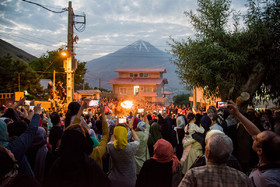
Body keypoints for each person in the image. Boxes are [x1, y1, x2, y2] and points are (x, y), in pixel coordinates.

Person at [45, 100, 110, 187]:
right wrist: (103, 114)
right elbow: (105, 135)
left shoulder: (58, 163)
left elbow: (72, 131)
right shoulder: (94, 156)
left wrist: (81, 110)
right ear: (84, 141)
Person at [228, 100, 280, 187]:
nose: (254, 137)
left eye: (256, 139)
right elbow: (256, 133)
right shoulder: (269, 159)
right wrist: (238, 114)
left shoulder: (267, 180)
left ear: (260, 151)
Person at [179, 133, 253, 187]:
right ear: (229, 155)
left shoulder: (193, 175)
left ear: (207, 153)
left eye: (206, 147)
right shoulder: (242, 178)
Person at [107, 111, 140, 187]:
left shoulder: (111, 147)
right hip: (129, 181)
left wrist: (116, 128)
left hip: (114, 180)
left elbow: (111, 140)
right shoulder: (131, 148)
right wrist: (131, 128)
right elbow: (137, 140)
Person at [133, 110, 150, 175]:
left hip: (134, 163)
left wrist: (134, 116)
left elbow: (130, 128)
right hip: (143, 162)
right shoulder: (145, 136)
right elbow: (148, 126)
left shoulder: (132, 134)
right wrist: (145, 115)